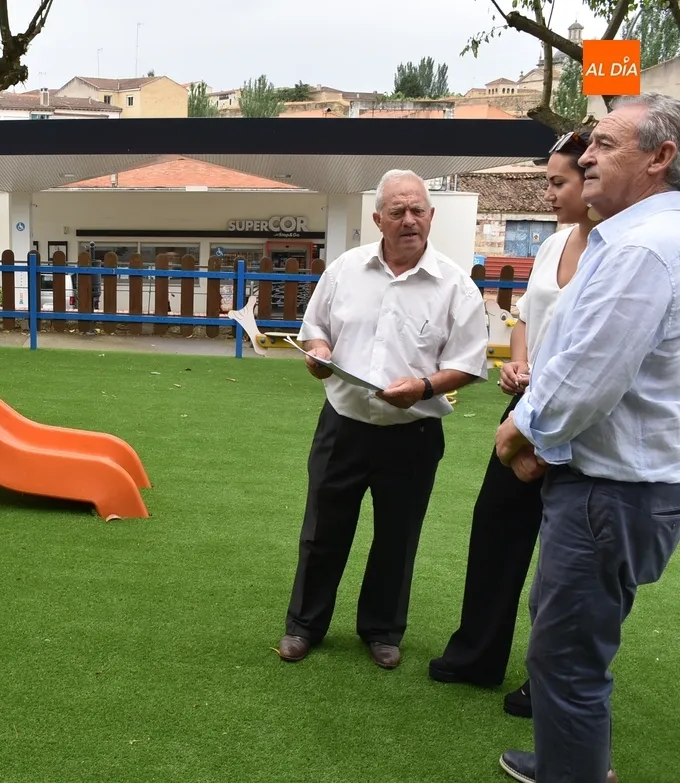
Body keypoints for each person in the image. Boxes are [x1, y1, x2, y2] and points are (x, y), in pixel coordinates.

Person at [494, 93, 680, 783]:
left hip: (610, 489)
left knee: (567, 656)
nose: (588, 156)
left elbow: (587, 378)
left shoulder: (644, 248)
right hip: (612, 487)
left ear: (660, 157)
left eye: (605, 143)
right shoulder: (632, 239)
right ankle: (569, 762)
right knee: (562, 636)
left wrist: (520, 434)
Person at [275, 169, 489, 669]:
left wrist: (425, 388)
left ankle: (382, 630)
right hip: (343, 424)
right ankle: (304, 625)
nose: (409, 220)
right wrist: (318, 351)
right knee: (322, 531)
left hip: (412, 433)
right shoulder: (345, 270)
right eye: (397, 211)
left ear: (431, 215)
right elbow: (316, 328)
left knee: (397, 536)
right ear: (378, 220)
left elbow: (468, 363)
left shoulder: (456, 286)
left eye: (417, 210)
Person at [429, 131, 597, 718]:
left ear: (592, 178)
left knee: (567, 558)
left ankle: (546, 681)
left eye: (558, 182)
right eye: (547, 181)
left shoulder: (620, 254)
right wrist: (518, 363)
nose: (548, 193)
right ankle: (476, 655)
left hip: (581, 420)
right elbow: (525, 315)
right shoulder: (552, 246)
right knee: (496, 530)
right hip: (526, 408)